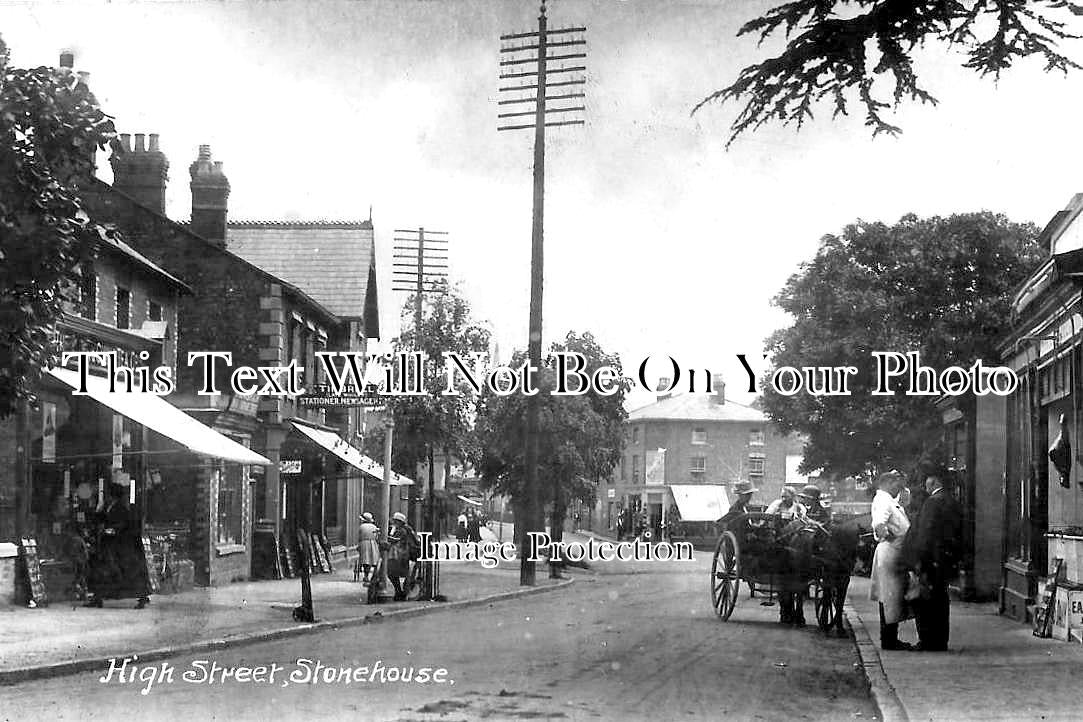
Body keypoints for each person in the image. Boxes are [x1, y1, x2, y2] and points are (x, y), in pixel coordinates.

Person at [910, 474, 963, 651]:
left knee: (926, 601)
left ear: (934, 484)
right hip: (947, 560)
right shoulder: (953, 502)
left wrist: (920, 559)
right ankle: (941, 640)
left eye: (927, 485)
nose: (926, 489)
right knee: (941, 600)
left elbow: (926, 534)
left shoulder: (932, 502)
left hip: (932, 560)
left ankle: (928, 640)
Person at [85, 482, 151, 609]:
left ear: (113, 495)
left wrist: (112, 530)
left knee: (121, 571)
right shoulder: (109, 506)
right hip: (109, 544)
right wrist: (98, 512)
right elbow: (102, 519)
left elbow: (123, 524)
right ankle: (98, 598)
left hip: (118, 546)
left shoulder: (120, 508)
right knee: (104, 571)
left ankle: (141, 596)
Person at [869, 470, 914, 650]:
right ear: (888, 482)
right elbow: (879, 524)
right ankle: (889, 640)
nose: (900, 488)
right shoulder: (883, 500)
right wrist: (891, 536)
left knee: (892, 596)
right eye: (898, 484)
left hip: (894, 552)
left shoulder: (889, 500)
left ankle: (890, 638)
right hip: (892, 552)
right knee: (890, 596)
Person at [386, 511, 420, 601]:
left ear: (400, 522)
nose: (394, 522)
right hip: (398, 555)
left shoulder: (403, 530)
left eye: (396, 521)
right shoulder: (397, 529)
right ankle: (400, 591)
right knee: (394, 573)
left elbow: (396, 540)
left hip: (402, 555)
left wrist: (388, 538)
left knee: (398, 574)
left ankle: (402, 592)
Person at [356, 512, 381, 585]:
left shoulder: (362, 526)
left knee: (365, 559)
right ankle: (374, 575)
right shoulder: (374, 526)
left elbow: (359, 537)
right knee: (372, 559)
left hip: (364, 543)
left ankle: (366, 575)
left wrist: (359, 545)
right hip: (373, 543)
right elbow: (377, 537)